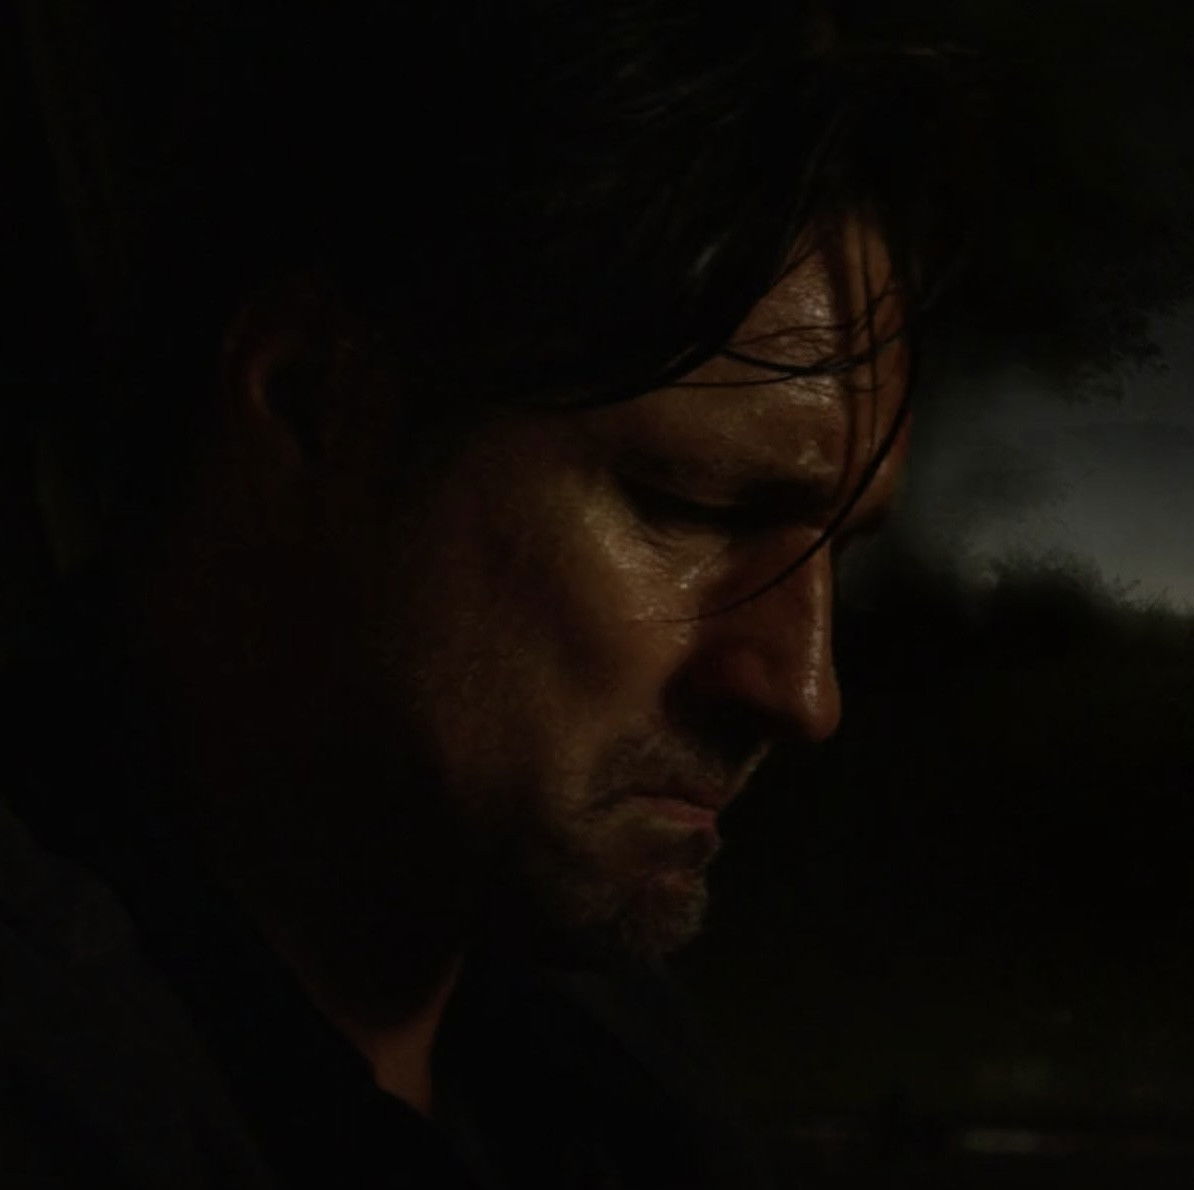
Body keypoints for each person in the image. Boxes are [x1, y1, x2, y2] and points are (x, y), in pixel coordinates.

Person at [0, 2, 962, 1185]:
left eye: (837, 554)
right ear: (312, 401)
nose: (804, 691)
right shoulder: (58, 1068)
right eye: (690, 507)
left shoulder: (584, 1045)